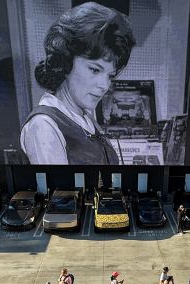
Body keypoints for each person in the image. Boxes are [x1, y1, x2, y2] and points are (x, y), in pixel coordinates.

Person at [20, 2, 136, 165]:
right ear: (65, 61)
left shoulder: (85, 117)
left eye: (110, 76)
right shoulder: (44, 126)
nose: (104, 85)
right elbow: (59, 190)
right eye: (95, 70)